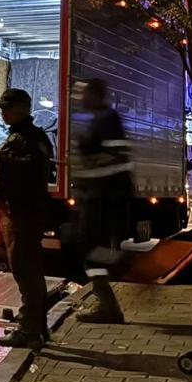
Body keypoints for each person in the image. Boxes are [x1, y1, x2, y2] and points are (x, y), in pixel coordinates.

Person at [0, 88, 55, 348]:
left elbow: (33, 171)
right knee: (24, 268)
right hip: (16, 211)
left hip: (23, 212)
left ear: (22, 109)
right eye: (2, 108)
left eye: (7, 107)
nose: (3, 113)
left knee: (25, 268)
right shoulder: (19, 136)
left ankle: (29, 329)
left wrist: (3, 159)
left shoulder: (31, 138)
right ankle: (34, 324)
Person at [72, 78, 132, 324]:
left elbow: (116, 157)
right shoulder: (100, 119)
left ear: (94, 95)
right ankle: (106, 302)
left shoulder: (108, 119)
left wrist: (88, 168)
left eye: (81, 93)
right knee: (85, 246)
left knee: (87, 245)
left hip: (103, 196)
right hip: (96, 195)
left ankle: (116, 271)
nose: (78, 98)